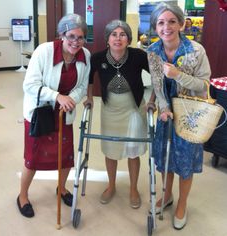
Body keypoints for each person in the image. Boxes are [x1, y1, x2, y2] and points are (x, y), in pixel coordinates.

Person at [17, 13, 91, 218]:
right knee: (33, 158)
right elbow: (29, 85)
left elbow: (83, 86)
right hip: (40, 114)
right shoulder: (44, 52)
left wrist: (71, 99)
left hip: (63, 114)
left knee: (66, 157)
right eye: (71, 36)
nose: (76, 42)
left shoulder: (85, 55)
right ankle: (22, 196)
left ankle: (62, 188)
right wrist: (58, 96)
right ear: (61, 35)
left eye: (81, 37)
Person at [147, 3, 211, 230]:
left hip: (190, 114)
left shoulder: (196, 50)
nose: (166, 27)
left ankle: (182, 203)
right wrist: (163, 108)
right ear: (155, 26)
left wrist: (178, 75)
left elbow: (204, 85)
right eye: (161, 23)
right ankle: (167, 196)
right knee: (165, 160)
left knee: (184, 161)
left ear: (181, 24)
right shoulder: (153, 51)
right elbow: (157, 84)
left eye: (172, 21)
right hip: (167, 115)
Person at [84, 20, 150, 209]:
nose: (118, 38)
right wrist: (89, 98)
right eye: (114, 34)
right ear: (107, 39)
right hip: (110, 110)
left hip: (134, 109)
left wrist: (152, 100)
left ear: (129, 39)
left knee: (133, 151)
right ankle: (111, 185)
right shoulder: (98, 58)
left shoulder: (138, 56)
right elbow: (89, 79)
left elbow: (156, 76)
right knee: (111, 149)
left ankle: (133, 189)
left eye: (123, 35)